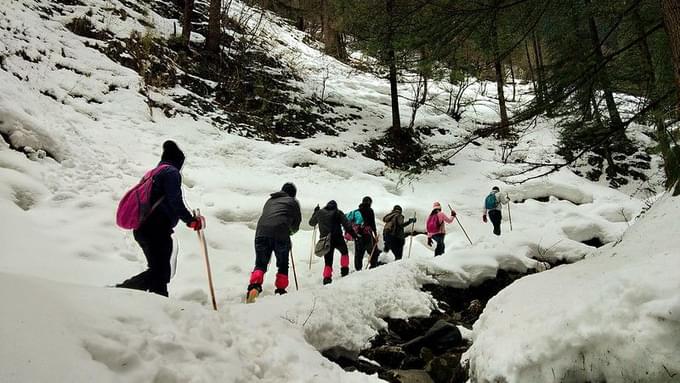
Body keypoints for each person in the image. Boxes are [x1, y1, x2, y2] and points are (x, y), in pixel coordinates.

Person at [117, 140, 202, 297]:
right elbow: (175, 201)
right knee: (160, 271)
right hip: (156, 229)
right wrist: (190, 220)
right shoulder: (171, 172)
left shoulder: (153, 173)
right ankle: (120, 292)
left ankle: (160, 304)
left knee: (159, 271)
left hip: (143, 229)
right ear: (178, 161)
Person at [246, 183, 302, 302]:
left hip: (261, 232)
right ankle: (281, 290)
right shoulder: (293, 202)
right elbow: (296, 225)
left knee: (261, 263)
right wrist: (289, 232)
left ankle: (254, 288)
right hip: (281, 233)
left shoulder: (270, 200)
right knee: (282, 264)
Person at [309, 200, 355, 284]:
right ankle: (344, 271)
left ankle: (327, 278)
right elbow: (347, 225)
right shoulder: (338, 213)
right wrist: (354, 235)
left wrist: (315, 212)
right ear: (335, 207)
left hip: (326, 240)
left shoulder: (319, 213)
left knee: (328, 260)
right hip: (338, 238)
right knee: (344, 252)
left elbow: (311, 223)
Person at [347, 196, 379, 270]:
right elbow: (372, 224)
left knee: (358, 253)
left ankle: (358, 269)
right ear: (370, 202)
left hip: (357, 235)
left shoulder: (357, 211)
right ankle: (373, 266)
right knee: (373, 250)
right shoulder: (370, 210)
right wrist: (375, 234)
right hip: (367, 234)